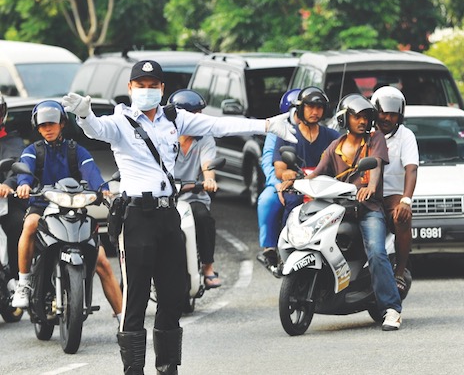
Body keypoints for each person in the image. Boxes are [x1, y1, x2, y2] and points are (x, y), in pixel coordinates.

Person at [61, 59, 296, 375]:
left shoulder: (174, 118)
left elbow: (218, 126)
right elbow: (97, 130)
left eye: (152, 86)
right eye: (140, 86)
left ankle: (167, 367)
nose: (146, 91)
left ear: (162, 89)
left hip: (168, 215)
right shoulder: (120, 121)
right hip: (136, 217)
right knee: (136, 299)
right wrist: (84, 114)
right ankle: (133, 370)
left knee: (173, 297)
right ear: (130, 88)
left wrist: (266, 125)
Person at [279, 93, 401, 331]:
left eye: (366, 117)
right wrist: (295, 181)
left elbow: (375, 164)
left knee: (376, 252)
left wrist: (371, 188)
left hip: (367, 209)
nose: (363, 121)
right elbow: (317, 174)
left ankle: (391, 309)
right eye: (357, 117)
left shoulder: (374, 140)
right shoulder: (335, 146)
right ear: (345, 118)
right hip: (337, 209)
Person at [9, 101, 123, 323]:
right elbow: (25, 171)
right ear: (37, 128)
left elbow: (91, 172)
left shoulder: (75, 150)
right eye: (43, 126)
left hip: (74, 209)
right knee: (30, 224)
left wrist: (104, 189)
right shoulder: (32, 151)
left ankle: (124, 320)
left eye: (52, 124)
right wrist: (23, 184)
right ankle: (23, 282)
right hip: (42, 206)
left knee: (102, 261)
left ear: (62, 124)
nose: (48, 129)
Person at [259, 87, 339, 277]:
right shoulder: (285, 133)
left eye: (319, 107)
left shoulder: (332, 136)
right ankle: (283, 250)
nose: (315, 112)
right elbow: (279, 168)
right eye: (310, 107)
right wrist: (289, 176)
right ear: (300, 109)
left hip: (324, 188)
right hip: (297, 188)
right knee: (285, 203)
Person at [168, 89, 222, 290]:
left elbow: (208, 165)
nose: (199, 119)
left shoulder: (205, 138)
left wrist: (209, 180)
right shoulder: (165, 137)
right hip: (166, 198)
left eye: (200, 115)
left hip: (193, 196)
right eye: (195, 115)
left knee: (203, 219)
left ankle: (208, 267)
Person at [371, 86, 418, 297]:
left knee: (402, 216)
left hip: (391, 197)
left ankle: (400, 271)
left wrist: (406, 200)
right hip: (364, 195)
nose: (386, 118)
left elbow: (411, 169)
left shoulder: (406, 136)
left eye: (392, 114)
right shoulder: (365, 132)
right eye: (382, 113)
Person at [256, 88, 300, 272]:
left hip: (310, 182)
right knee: (267, 200)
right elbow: (268, 161)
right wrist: (277, 184)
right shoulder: (277, 130)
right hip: (281, 182)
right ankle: (270, 249)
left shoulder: (322, 131)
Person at [0, 94, 26, 281]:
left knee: (19, 225)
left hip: (6, 202)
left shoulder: (12, 141)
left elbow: (16, 165)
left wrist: (7, 185)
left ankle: (17, 279)